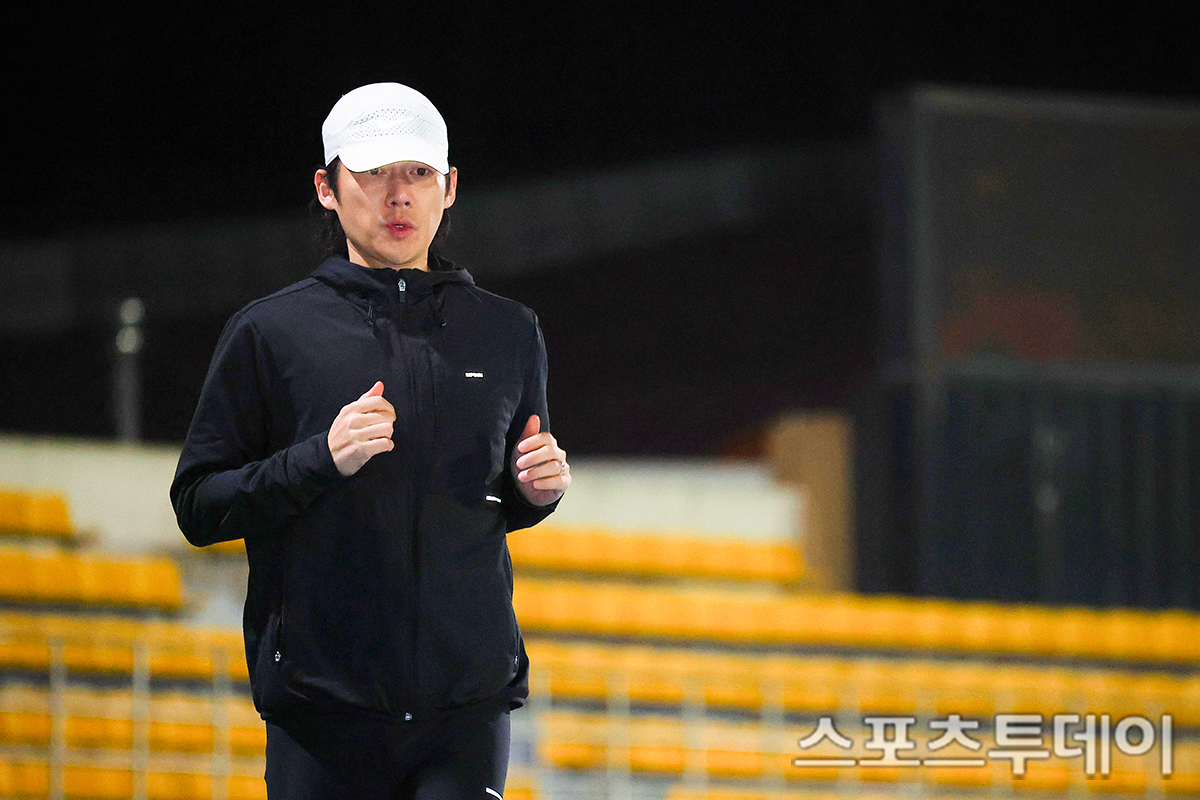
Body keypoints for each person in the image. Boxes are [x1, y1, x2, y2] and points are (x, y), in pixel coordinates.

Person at [170, 82, 570, 799]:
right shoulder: (271, 331)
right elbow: (199, 505)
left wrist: (534, 491)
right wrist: (319, 459)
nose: (399, 195)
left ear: (450, 187)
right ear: (327, 189)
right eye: (374, 172)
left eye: (418, 172)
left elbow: (489, 501)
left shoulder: (508, 331)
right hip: (323, 710)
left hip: (466, 709)